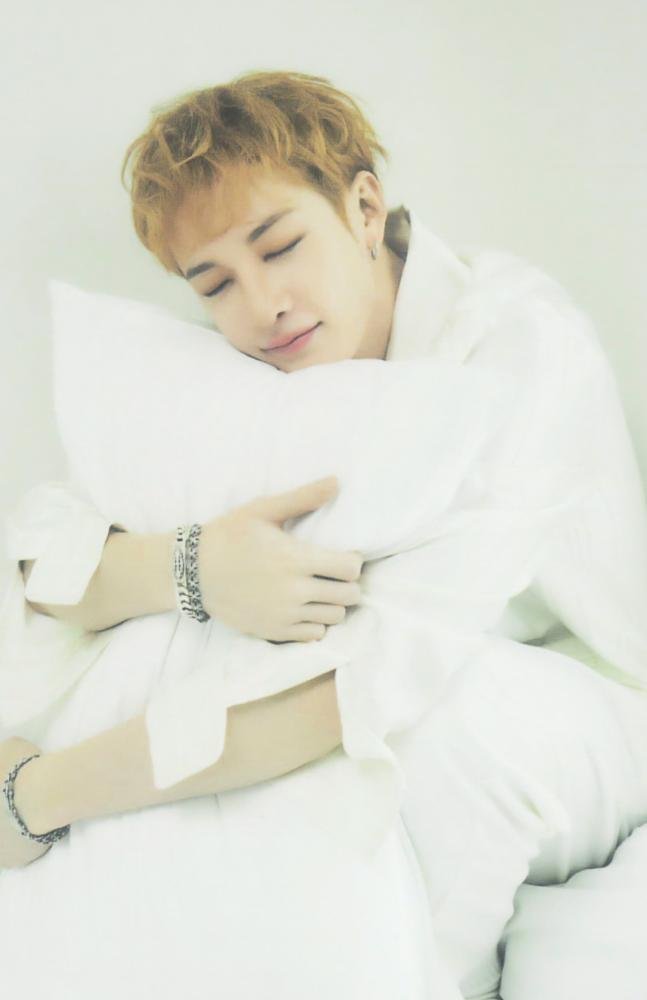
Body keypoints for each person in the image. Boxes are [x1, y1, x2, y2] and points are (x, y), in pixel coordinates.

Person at [2, 69, 647, 1000]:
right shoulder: (269, 367)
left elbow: (367, 687)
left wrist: (36, 796)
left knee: (426, 742)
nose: (263, 303)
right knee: (167, 675)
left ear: (364, 208)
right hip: (385, 692)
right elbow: (43, 558)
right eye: (216, 283)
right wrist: (191, 569)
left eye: (280, 247)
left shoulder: (513, 346)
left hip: (589, 706)